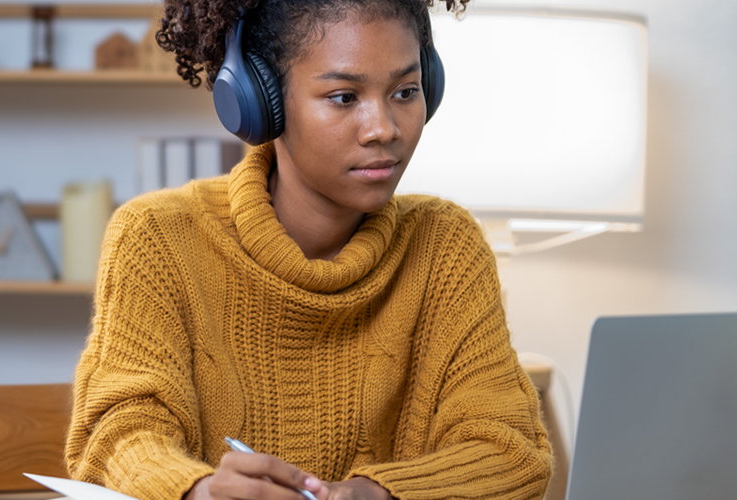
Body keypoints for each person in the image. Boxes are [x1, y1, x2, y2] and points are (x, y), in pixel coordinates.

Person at [64, 0, 553, 499]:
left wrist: (381, 494)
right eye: (344, 97)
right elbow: (118, 437)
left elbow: (509, 452)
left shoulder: (446, 245)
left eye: (406, 91)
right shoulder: (157, 237)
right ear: (260, 102)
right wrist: (199, 492)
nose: (383, 128)